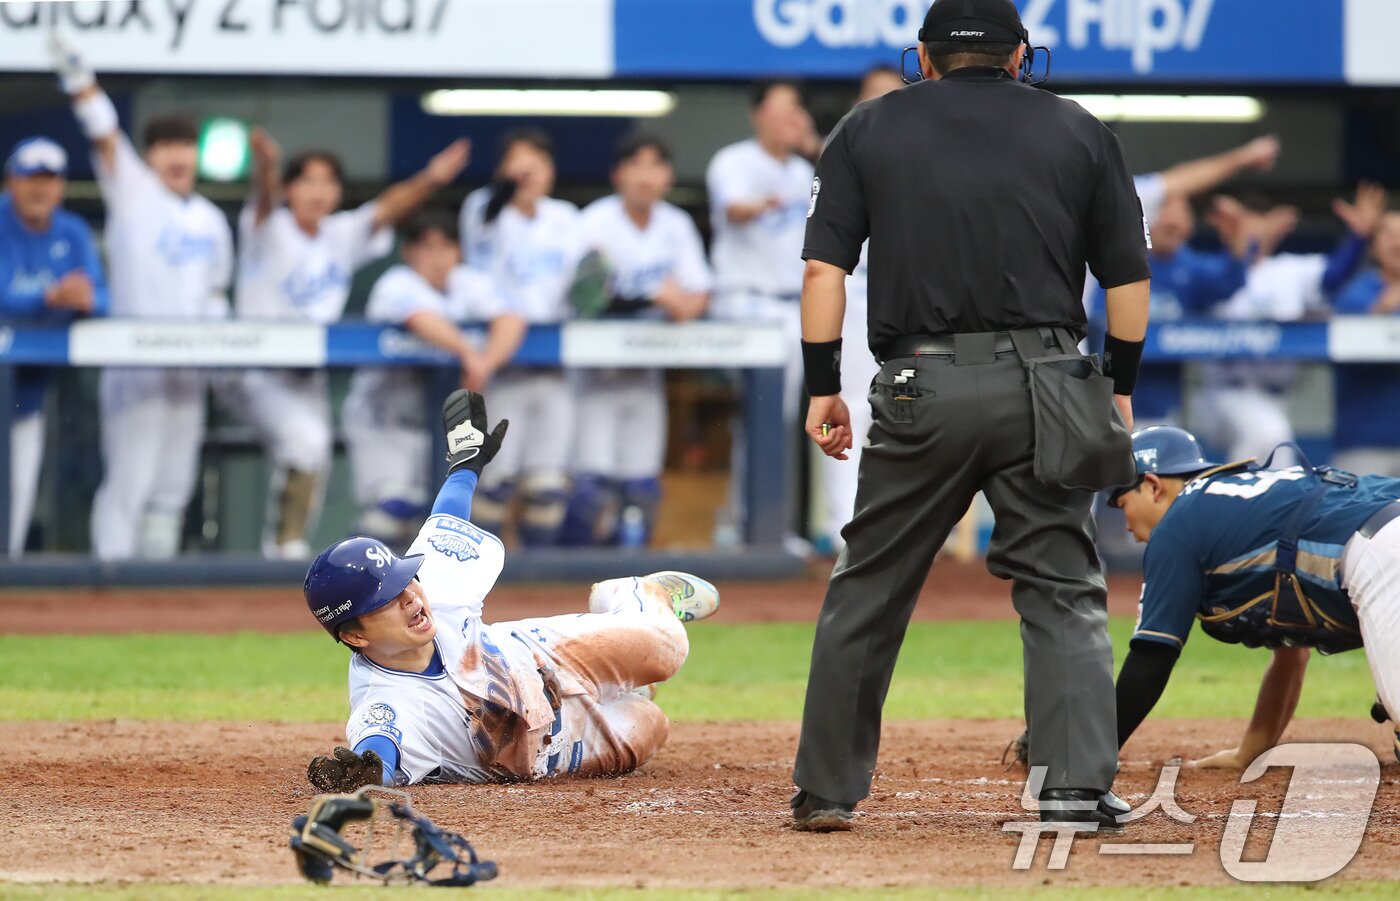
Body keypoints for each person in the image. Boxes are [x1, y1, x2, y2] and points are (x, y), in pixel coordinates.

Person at [791, 0, 1151, 831]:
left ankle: (827, 790)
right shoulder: (1081, 129)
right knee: (1061, 584)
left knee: (871, 585)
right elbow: (1128, 283)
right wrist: (1119, 384)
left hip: (923, 382)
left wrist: (822, 384)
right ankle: (1073, 786)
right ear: (1021, 55)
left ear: (922, 57)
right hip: (1051, 384)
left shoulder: (866, 128)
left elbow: (823, 272)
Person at [302, 388, 719, 788]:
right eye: (386, 600)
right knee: (650, 724)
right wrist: (369, 773)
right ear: (355, 634)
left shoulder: (433, 590)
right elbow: (378, 745)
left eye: (403, 580)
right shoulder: (385, 700)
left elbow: (445, 521)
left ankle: (632, 596)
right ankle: (625, 682)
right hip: (553, 749)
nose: (409, 596)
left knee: (667, 647)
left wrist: (465, 465)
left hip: (541, 654)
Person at [224, 128, 470, 559]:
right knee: (308, 442)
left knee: (312, 457)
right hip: (255, 368)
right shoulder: (270, 226)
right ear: (290, 187)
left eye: (327, 181)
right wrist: (266, 167)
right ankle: (283, 552)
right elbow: (263, 198)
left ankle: (288, 549)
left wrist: (431, 178)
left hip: (306, 373)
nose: (318, 191)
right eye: (307, 181)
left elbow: (384, 210)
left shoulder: (338, 235)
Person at [1110, 426, 1400, 767]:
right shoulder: (1243, 500)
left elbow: (1152, 654)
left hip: (1383, 552)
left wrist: (1085, 749)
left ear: (1153, 485)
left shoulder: (1178, 525)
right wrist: (1248, 753)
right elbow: (1292, 655)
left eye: (1123, 503)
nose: (1126, 525)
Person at [50, 35, 235, 560]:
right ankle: (108, 589)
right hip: (137, 359)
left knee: (173, 487)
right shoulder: (133, 192)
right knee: (129, 481)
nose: (177, 156)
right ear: (150, 156)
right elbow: (105, 135)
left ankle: (154, 594)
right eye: (166, 147)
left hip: (191, 365)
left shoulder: (210, 219)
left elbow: (218, 293)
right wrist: (80, 82)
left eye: (186, 147)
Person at [343, 210, 525, 547]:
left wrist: (485, 362)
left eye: (445, 246)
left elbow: (512, 318)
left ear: (458, 251)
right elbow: (422, 318)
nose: (437, 257)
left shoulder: (468, 282)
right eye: (426, 247)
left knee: (457, 518)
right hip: (384, 422)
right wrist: (468, 352)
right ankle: (353, 587)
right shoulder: (395, 282)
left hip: (439, 427)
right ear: (409, 252)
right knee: (392, 513)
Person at [564, 134, 712, 547]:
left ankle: (631, 583)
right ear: (619, 174)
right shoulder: (593, 222)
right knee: (593, 489)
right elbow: (585, 296)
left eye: (655, 166)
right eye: (637, 165)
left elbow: (698, 289)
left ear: (667, 175)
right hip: (596, 375)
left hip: (646, 372)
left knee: (643, 488)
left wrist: (687, 305)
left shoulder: (676, 224)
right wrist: (652, 297)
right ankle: (569, 579)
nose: (646, 176)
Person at [1190, 185, 1386, 463]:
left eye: (1258, 222)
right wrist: (1247, 243)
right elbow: (1228, 278)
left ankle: (1245, 499)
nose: (1251, 231)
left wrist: (1358, 239)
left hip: (1274, 397)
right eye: (1244, 223)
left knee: (1281, 464)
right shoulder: (1210, 269)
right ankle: (1231, 496)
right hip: (1221, 393)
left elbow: (1333, 277)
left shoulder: (1288, 271)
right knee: (1270, 435)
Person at [705, 80, 817, 550]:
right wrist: (762, 202)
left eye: (794, 108)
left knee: (779, 418)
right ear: (758, 114)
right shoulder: (734, 160)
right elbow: (734, 207)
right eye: (779, 108)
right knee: (759, 414)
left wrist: (812, 145)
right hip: (743, 300)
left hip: (793, 303)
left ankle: (763, 524)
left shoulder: (804, 168)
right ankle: (746, 523)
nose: (786, 117)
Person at [458, 130, 584, 546]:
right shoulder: (484, 209)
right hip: (500, 366)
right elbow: (492, 203)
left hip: (554, 364)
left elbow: (591, 279)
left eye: (538, 161)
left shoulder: (566, 217)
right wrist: (511, 182)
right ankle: (486, 581)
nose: (529, 169)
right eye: (519, 160)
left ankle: (538, 584)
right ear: (502, 170)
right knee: (494, 486)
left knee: (547, 487)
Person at [0, 137, 108, 555]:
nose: (40, 189)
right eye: (30, 179)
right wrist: (50, 296)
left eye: (49, 180)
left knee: (17, 500)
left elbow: (103, 298)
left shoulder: (73, 231)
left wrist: (84, 299)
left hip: (28, 396)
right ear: (12, 181)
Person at [816, 65, 905, 554]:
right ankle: (841, 532)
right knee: (844, 411)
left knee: (911, 417)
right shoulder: (841, 153)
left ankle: (897, 535)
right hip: (850, 295)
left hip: (908, 302)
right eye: (873, 97)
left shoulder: (929, 156)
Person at [1330, 212, 1400, 477]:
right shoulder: (1356, 292)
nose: (1397, 243)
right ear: (1373, 246)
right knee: (1361, 519)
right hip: (1364, 443)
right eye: (1389, 234)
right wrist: (1387, 303)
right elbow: (1352, 344)